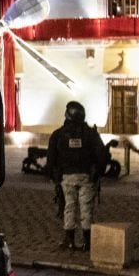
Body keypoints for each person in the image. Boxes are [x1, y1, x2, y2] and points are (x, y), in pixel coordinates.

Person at [45, 101, 107, 251]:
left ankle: (70, 240)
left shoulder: (58, 134)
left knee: (69, 207)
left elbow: (51, 158)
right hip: (86, 177)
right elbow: (102, 156)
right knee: (86, 208)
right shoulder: (91, 134)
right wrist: (97, 173)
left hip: (66, 177)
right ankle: (88, 242)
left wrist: (53, 177)